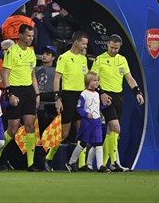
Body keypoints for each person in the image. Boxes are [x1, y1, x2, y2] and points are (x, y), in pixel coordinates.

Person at [91, 34, 144, 172]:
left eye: (116, 48)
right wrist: (101, 92)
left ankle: (106, 163)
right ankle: (113, 162)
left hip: (119, 96)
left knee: (111, 131)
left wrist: (137, 92)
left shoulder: (122, 60)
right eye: (112, 47)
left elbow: (129, 77)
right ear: (107, 45)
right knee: (116, 127)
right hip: (105, 97)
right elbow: (92, 78)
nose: (114, 50)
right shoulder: (100, 59)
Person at [0, 24, 41, 171]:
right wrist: (9, 93)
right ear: (20, 35)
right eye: (28, 35)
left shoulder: (31, 52)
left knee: (30, 126)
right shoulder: (11, 51)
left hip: (28, 91)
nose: (31, 38)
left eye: (32, 36)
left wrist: (37, 94)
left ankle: (30, 163)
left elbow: (33, 75)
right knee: (12, 129)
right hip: (15, 90)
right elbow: (5, 74)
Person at [46, 31, 90, 169]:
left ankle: (80, 164)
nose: (85, 46)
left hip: (81, 96)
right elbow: (57, 78)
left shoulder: (83, 59)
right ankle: (49, 157)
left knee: (82, 131)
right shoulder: (64, 58)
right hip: (68, 96)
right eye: (83, 43)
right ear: (76, 42)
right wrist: (57, 97)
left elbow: (86, 77)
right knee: (64, 133)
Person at [65, 72, 108, 173]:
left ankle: (100, 165)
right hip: (87, 122)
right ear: (89, 81)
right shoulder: (84, 94)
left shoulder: (97, 94)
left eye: (98, 80)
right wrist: (86, 114)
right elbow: (79, 108)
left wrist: (106, 105)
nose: (97, 82)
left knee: (98, 143)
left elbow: (97, 108)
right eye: (94, 80)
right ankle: (71, 162)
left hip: (97, 122)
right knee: (83, 144)